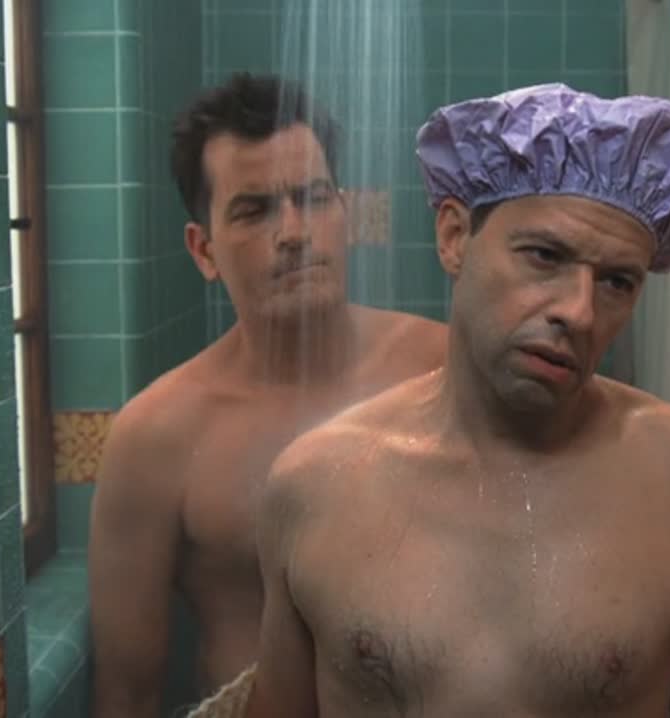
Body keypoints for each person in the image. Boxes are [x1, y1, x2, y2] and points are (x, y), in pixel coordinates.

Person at [243, 84, 670, 717]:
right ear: (454, 236)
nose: (579, 312)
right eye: (545, 256)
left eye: (617, 282)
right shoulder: (315, 484)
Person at [87, 72, 449, 718]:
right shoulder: (157, 437)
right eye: (253, 211)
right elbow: (126, 693)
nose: (293, 231)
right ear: (203, 250)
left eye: (312, 198)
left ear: (344, 214)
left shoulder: (440, 369)